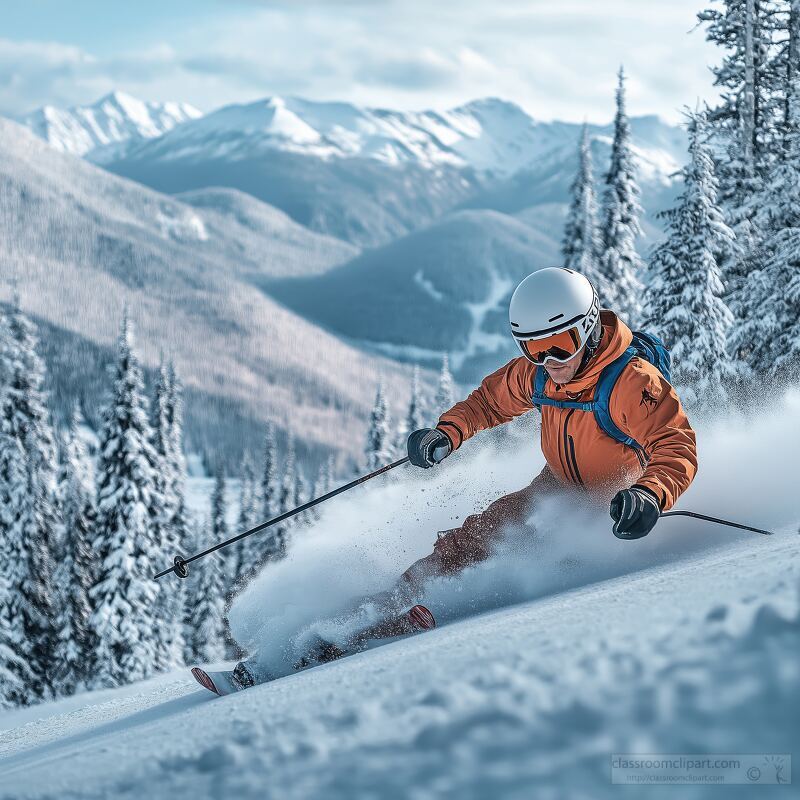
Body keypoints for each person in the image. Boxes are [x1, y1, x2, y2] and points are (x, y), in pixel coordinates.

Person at [399, 266, 697, 592]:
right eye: (535, 348)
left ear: (588, 328)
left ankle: (479, 603)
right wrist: (447, 432)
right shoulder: (537, 373)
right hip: (554, 485)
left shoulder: (631, 382)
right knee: (479, 534)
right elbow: (488, 403)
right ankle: (400, 597)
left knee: (557, 563)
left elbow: (675, 443)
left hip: (616, 505)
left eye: (560, 343)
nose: (550, 360)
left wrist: (649, 494)